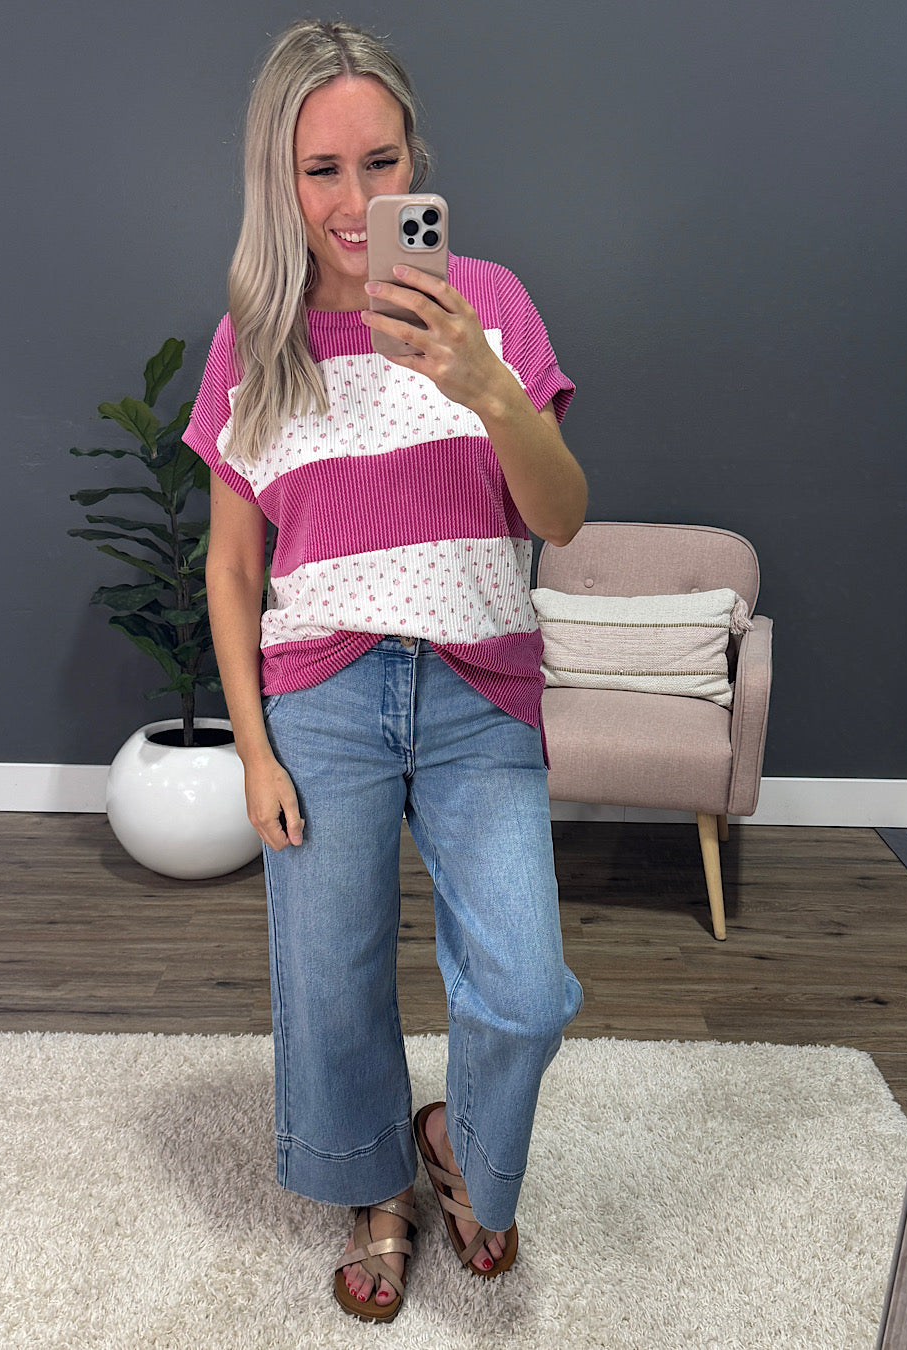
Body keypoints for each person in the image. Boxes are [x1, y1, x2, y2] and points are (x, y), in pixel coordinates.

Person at [184, 17, 587, 1323]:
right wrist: (253, 749)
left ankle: (458, 1139)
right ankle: (374, 1188)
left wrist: (487, 387)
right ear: (281, 180)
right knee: (332, 980)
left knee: (525, 989)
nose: (357, 201)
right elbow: (232, 567)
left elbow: (563, 517)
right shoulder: (255, 345)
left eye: (382, 161)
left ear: (418, 161)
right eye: (323, 170)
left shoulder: (494, 306)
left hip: (479, 692)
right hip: (322, 696)